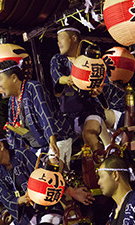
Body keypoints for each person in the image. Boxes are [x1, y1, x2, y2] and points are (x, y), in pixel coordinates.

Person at [50, 26, 125, 156]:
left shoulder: (91, 60)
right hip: (66, 116)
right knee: (55, 152)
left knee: (91, 134)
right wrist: (68, 79)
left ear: (73, 38)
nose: (58, 43)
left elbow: (103, 85)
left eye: (61, 38)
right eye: (57, 40)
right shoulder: (58, 60)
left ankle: (106, 156)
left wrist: (98, 91)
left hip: (89, 111)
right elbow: (57, 77)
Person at [0, 57, 73, 166]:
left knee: (51, 171)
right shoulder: (12, 101)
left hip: (57, 139)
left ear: (13, 77)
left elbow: (45, 114)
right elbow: (14, 134)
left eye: (0, 79)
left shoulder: (33, 87)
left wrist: (52, 139)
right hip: (36, 148)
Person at [0, 131, 41, 225]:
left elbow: (43, 177)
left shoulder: (23, 154)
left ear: (0, 146)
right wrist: (20, 200)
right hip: (26, 214)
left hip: (44, 208)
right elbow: (6, 199)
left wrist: (33, 193)